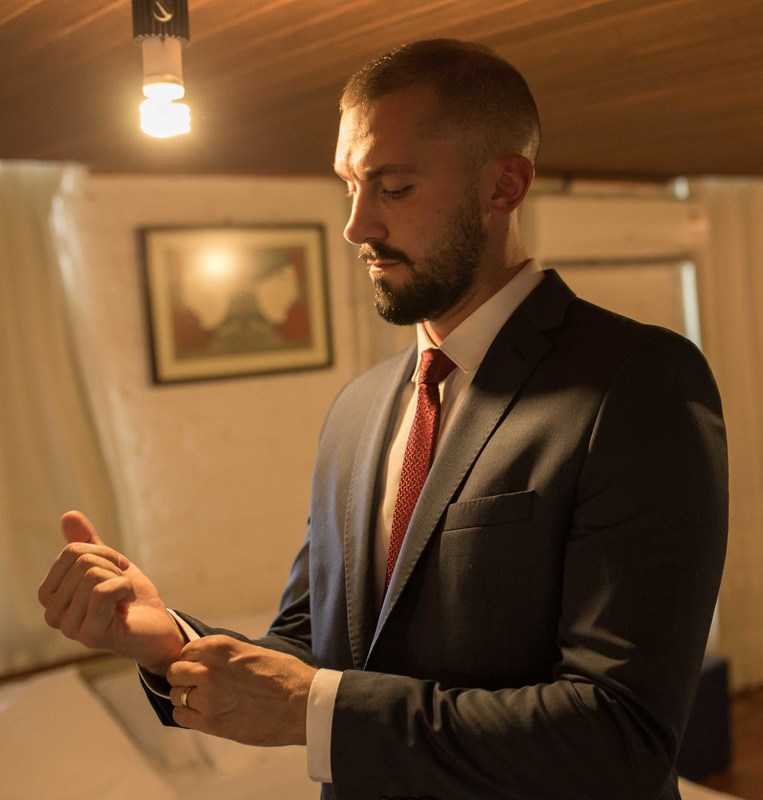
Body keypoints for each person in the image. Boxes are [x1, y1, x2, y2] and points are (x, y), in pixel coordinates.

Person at [38, 39, 727, 800]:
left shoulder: (636, 383)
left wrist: (318, 709)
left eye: (393, 186)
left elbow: (620, 736)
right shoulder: (357, 410)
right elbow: (310, 647)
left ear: (504, 186)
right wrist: (171, 641)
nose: (356, 227)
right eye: (349, 187)